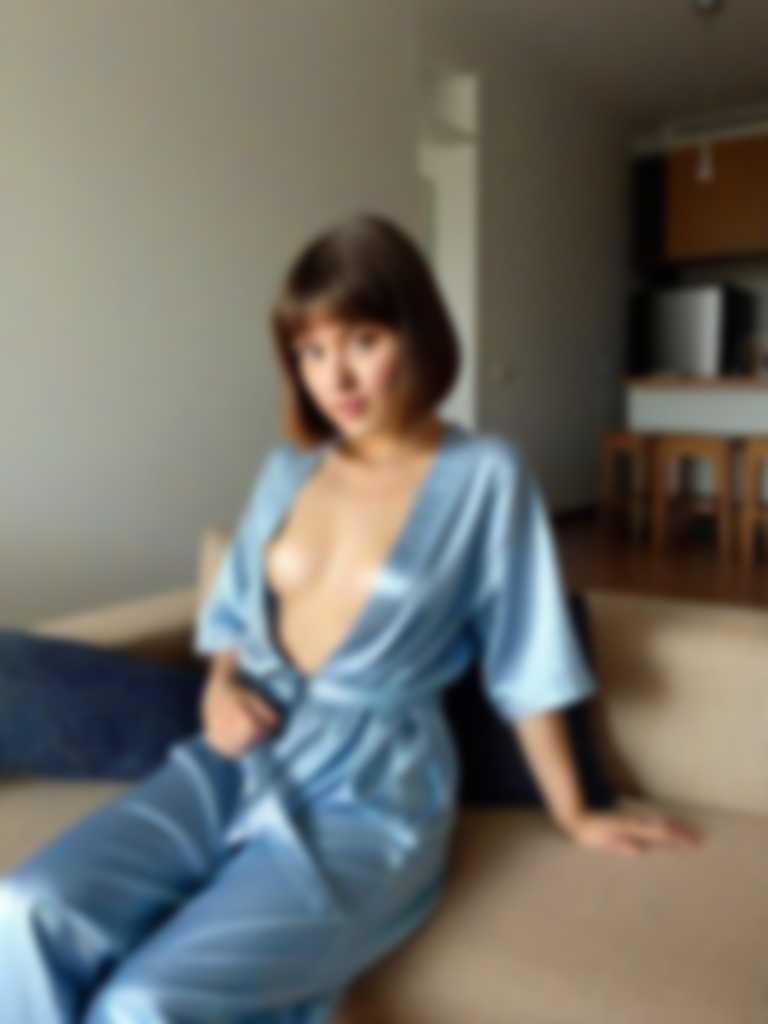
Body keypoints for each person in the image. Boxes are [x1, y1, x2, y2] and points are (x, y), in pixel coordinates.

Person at [0, 212, 703, 1022]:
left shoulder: (485, 476)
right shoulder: (287, 470)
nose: (336, 377)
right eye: (311, 351)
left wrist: (575, 812)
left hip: (371, 793)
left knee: (150, 1002)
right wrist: (219, 686)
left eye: (363, 340)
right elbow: (234, 613)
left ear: (416, 333)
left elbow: (528, 659)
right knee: (27, 910)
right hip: (237, 756)